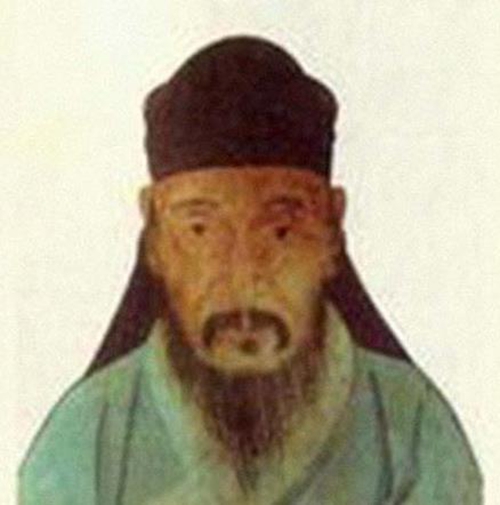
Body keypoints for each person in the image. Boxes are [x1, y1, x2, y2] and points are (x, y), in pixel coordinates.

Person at [20, 36, 482, 505]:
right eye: (201, 230)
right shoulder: (83, 442)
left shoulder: (417, 435)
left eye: (281, 231)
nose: (243, 276)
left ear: (332, 227)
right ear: (154, 234)